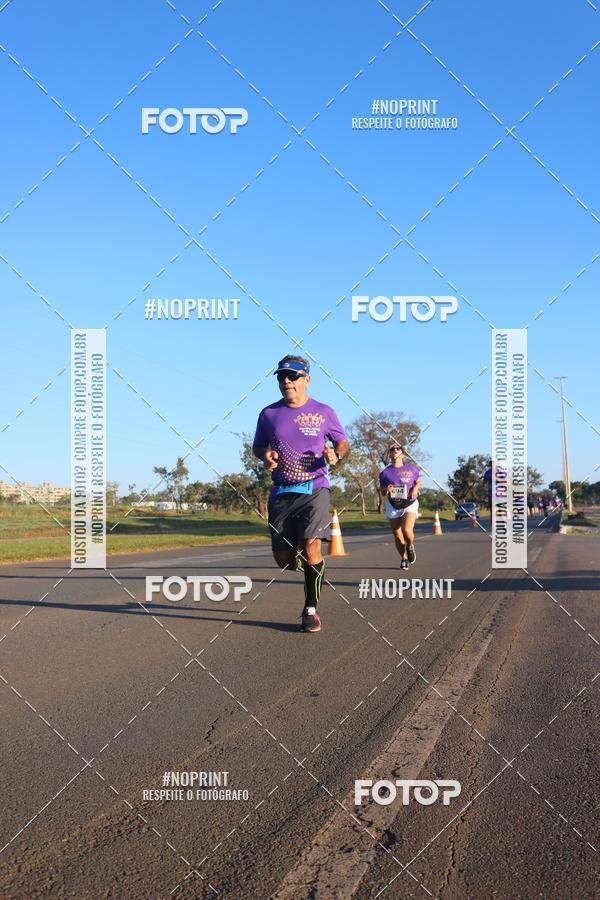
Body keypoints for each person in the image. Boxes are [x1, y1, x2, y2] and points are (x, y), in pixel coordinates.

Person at [252, 355, 349, 633]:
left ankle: (310, 609)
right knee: (283, 559)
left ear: (307, 379)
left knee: (311, 544)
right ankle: (312, 570)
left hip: (315, 488)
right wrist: (265, 455)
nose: (286, 381)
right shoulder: (268, 414)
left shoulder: (323, 412)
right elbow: (258, 447)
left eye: (293, 376)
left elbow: (342, 442)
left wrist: (335, 454)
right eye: (282, 376)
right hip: (282, 491)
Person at [379, 446, 421, 569]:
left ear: (402, 454)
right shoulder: (385, 473)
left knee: (406, 530)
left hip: (409, 503)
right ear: (390, 455)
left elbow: (417, 481)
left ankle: (410, 546)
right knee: (397, 535)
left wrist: (415, 488)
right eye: (392, 449)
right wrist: (386, 489)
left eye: (398, 449)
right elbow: (382, 492)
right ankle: (403, 558)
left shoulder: (412, 469)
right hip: (393, 505)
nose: (395, 450)